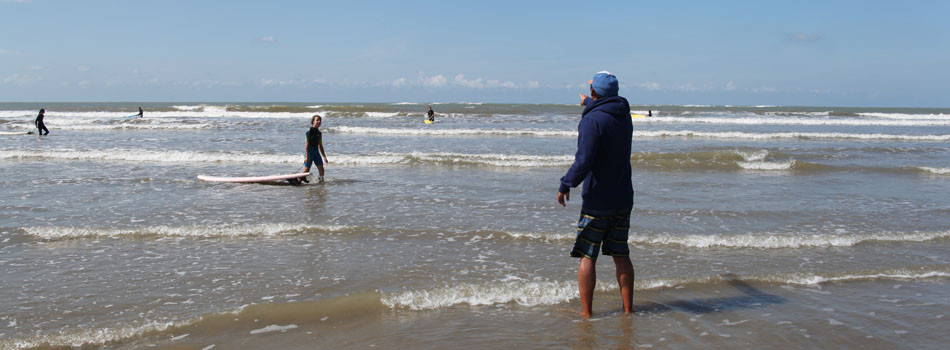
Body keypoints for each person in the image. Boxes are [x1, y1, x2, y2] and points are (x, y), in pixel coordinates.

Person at [558, 71, 635, 318]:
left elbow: (584, 161)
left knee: (587, 256)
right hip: (623, 197)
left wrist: (565, 185)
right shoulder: (623, 115)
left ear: (594, 92)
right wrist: (588, 103)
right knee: (621, 254)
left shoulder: (592, 121)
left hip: (597, 199)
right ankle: (628, 310)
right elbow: (604, 107)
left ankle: (587, 314)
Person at [303, 114, 329, 183]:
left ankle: (321, 182)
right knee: (306, 170)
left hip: (316, 153)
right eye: (317, 120)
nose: (319, 121)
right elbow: (307, 145)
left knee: (321, 169)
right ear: (313, 121)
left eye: (320, 120)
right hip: (310, 152)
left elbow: (320, 145)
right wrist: (306, 156)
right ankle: (298, 181)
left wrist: (324, 157)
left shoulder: (319, 133)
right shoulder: (309, 132)